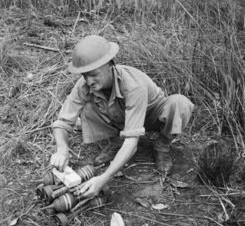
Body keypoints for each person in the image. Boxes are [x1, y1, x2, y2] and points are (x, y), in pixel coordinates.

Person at [50, 35, 194, 199]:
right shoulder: (85, 85)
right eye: (84, 75)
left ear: (109, 65)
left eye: (93, 74)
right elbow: (62, 122)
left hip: (151, 116)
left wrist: (103, 179)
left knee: (179, 103)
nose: (88, 81)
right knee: (88, 107)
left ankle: (162, 146)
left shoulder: (133, 85)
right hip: (124, 118)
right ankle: (117, 141)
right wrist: (62, 150)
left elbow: (132, 143)